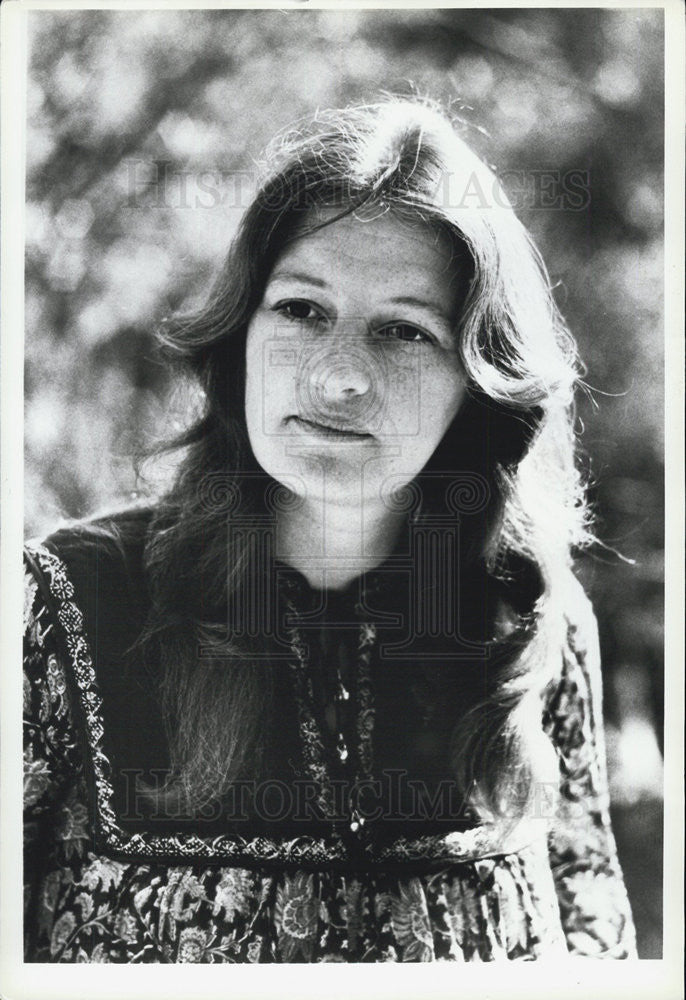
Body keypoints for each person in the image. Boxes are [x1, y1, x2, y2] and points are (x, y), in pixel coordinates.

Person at [23, 97, 636, 962]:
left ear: (480, 380)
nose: (340, 377)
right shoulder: (63, 606)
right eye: (302, 311)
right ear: (240, 335)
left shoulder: (533, 622)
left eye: (402, 331)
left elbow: (594, 935)